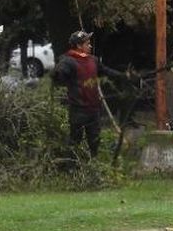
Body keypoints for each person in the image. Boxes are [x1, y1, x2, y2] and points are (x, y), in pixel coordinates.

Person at [51, 30, 124, 162]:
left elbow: (106, 71)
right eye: (87, 43)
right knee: (75, 142)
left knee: (94, 141)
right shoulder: (68, 61)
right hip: (78, 110)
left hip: (94, 109)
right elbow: (59, 76)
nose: (90, 46)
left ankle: (93, 166)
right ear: (79, 46)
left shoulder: (93, 60)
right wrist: (58, 74)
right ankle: (72, 167)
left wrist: (124, 76)